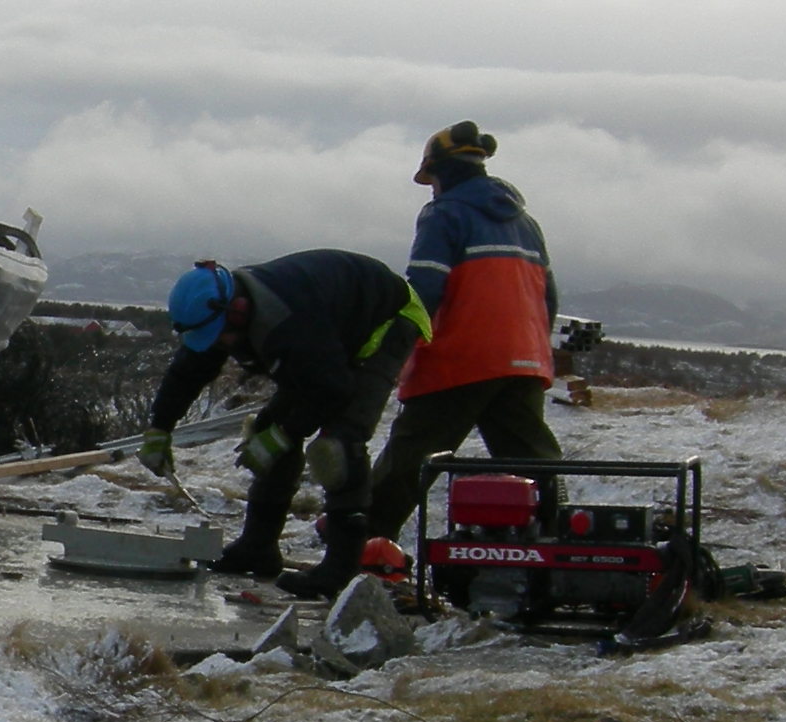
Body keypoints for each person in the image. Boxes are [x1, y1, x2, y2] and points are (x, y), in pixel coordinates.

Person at [138, 249, 432, 597]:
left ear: (238, 311)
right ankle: (257, 547)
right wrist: (160, 428)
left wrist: (285, 434)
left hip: (387, 320)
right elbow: (189, 370)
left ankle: (342, 570)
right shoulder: (216, 315)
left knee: (337, 448)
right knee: (265, 431)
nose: (219, 346)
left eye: (221, 336)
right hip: (329, 341)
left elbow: (332, 391)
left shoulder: (287, 321)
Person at [363, 120, 562, 548]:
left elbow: (426, 288)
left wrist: (394, 352)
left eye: (431, 179)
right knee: (534, 463)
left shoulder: (444, 213)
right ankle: (556, 545)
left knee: (411, 459)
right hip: (524, 360)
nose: (430, 189)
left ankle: (360, 549)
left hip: (462, 356)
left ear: (441, 172)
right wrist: (536, 348)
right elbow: (549, 297)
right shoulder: (526, 223)